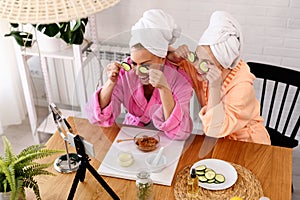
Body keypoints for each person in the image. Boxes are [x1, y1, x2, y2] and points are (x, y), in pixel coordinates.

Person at [85, 9, 193, 140]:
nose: (137, 71)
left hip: (167, 139)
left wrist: (164, 89)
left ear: (162, 58)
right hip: (133, 133)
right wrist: (110, 83)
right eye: (135, 63)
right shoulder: (126, 71)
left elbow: (182, 132)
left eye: (146, 64)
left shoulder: (180, 80)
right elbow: (97, 116)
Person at [167, 11, 271, 145]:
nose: (197, 66)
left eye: (206, 64)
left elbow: (213, 130)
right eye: (197, 57)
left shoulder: (242, 86)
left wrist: (215, 86)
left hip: (247, 143)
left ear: (223, 67)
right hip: (219, 140)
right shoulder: (202, 69)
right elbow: (171, 67)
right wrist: (175, 57)